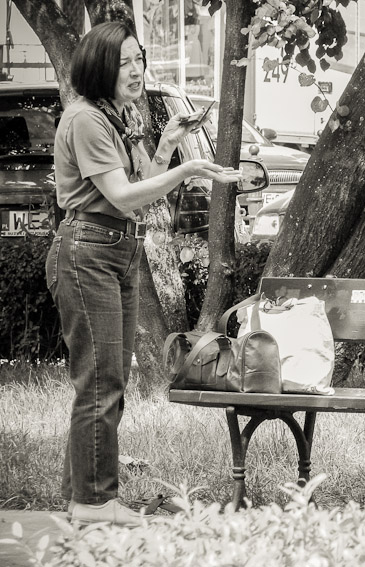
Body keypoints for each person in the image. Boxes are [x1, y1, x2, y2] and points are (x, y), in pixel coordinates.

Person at [45, 22, 241, 526]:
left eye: (140, 59)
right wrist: (190, 170)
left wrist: (168, 147)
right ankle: (94, 503)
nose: (137, 70)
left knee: (107, 379)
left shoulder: (113, 117)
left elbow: (137, 188)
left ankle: (82, 499)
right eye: (125, 61)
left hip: (114, 250)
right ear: (100, 67)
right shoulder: (87, 119)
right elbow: (123, 198)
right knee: (101, 381)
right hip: (90, 251)